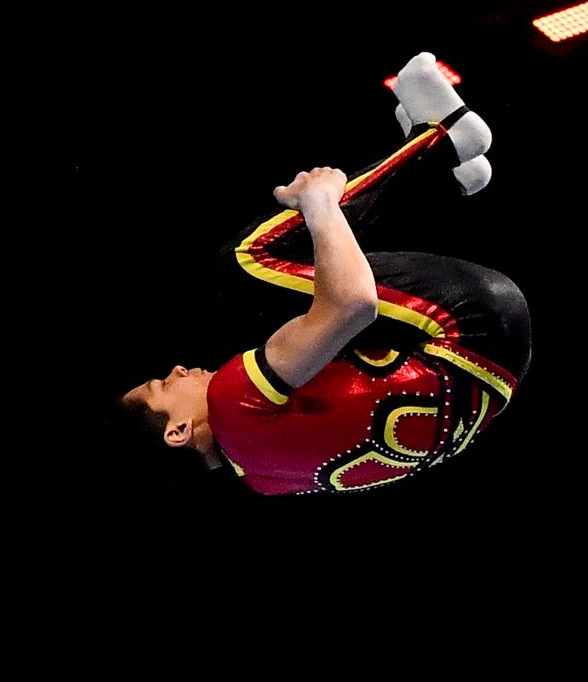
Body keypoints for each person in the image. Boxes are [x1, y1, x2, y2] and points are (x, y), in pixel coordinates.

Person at [119, 52, 530, 496]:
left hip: (498, 374)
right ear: (178, 431)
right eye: (162, 384)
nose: (177, 369)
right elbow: (354, 303)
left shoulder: (266, 480)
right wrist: (319, 203)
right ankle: (445, 138)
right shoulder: (229, 399)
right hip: (471, 323)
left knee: (289, 305)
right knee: (246, 266)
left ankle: (441, 175)